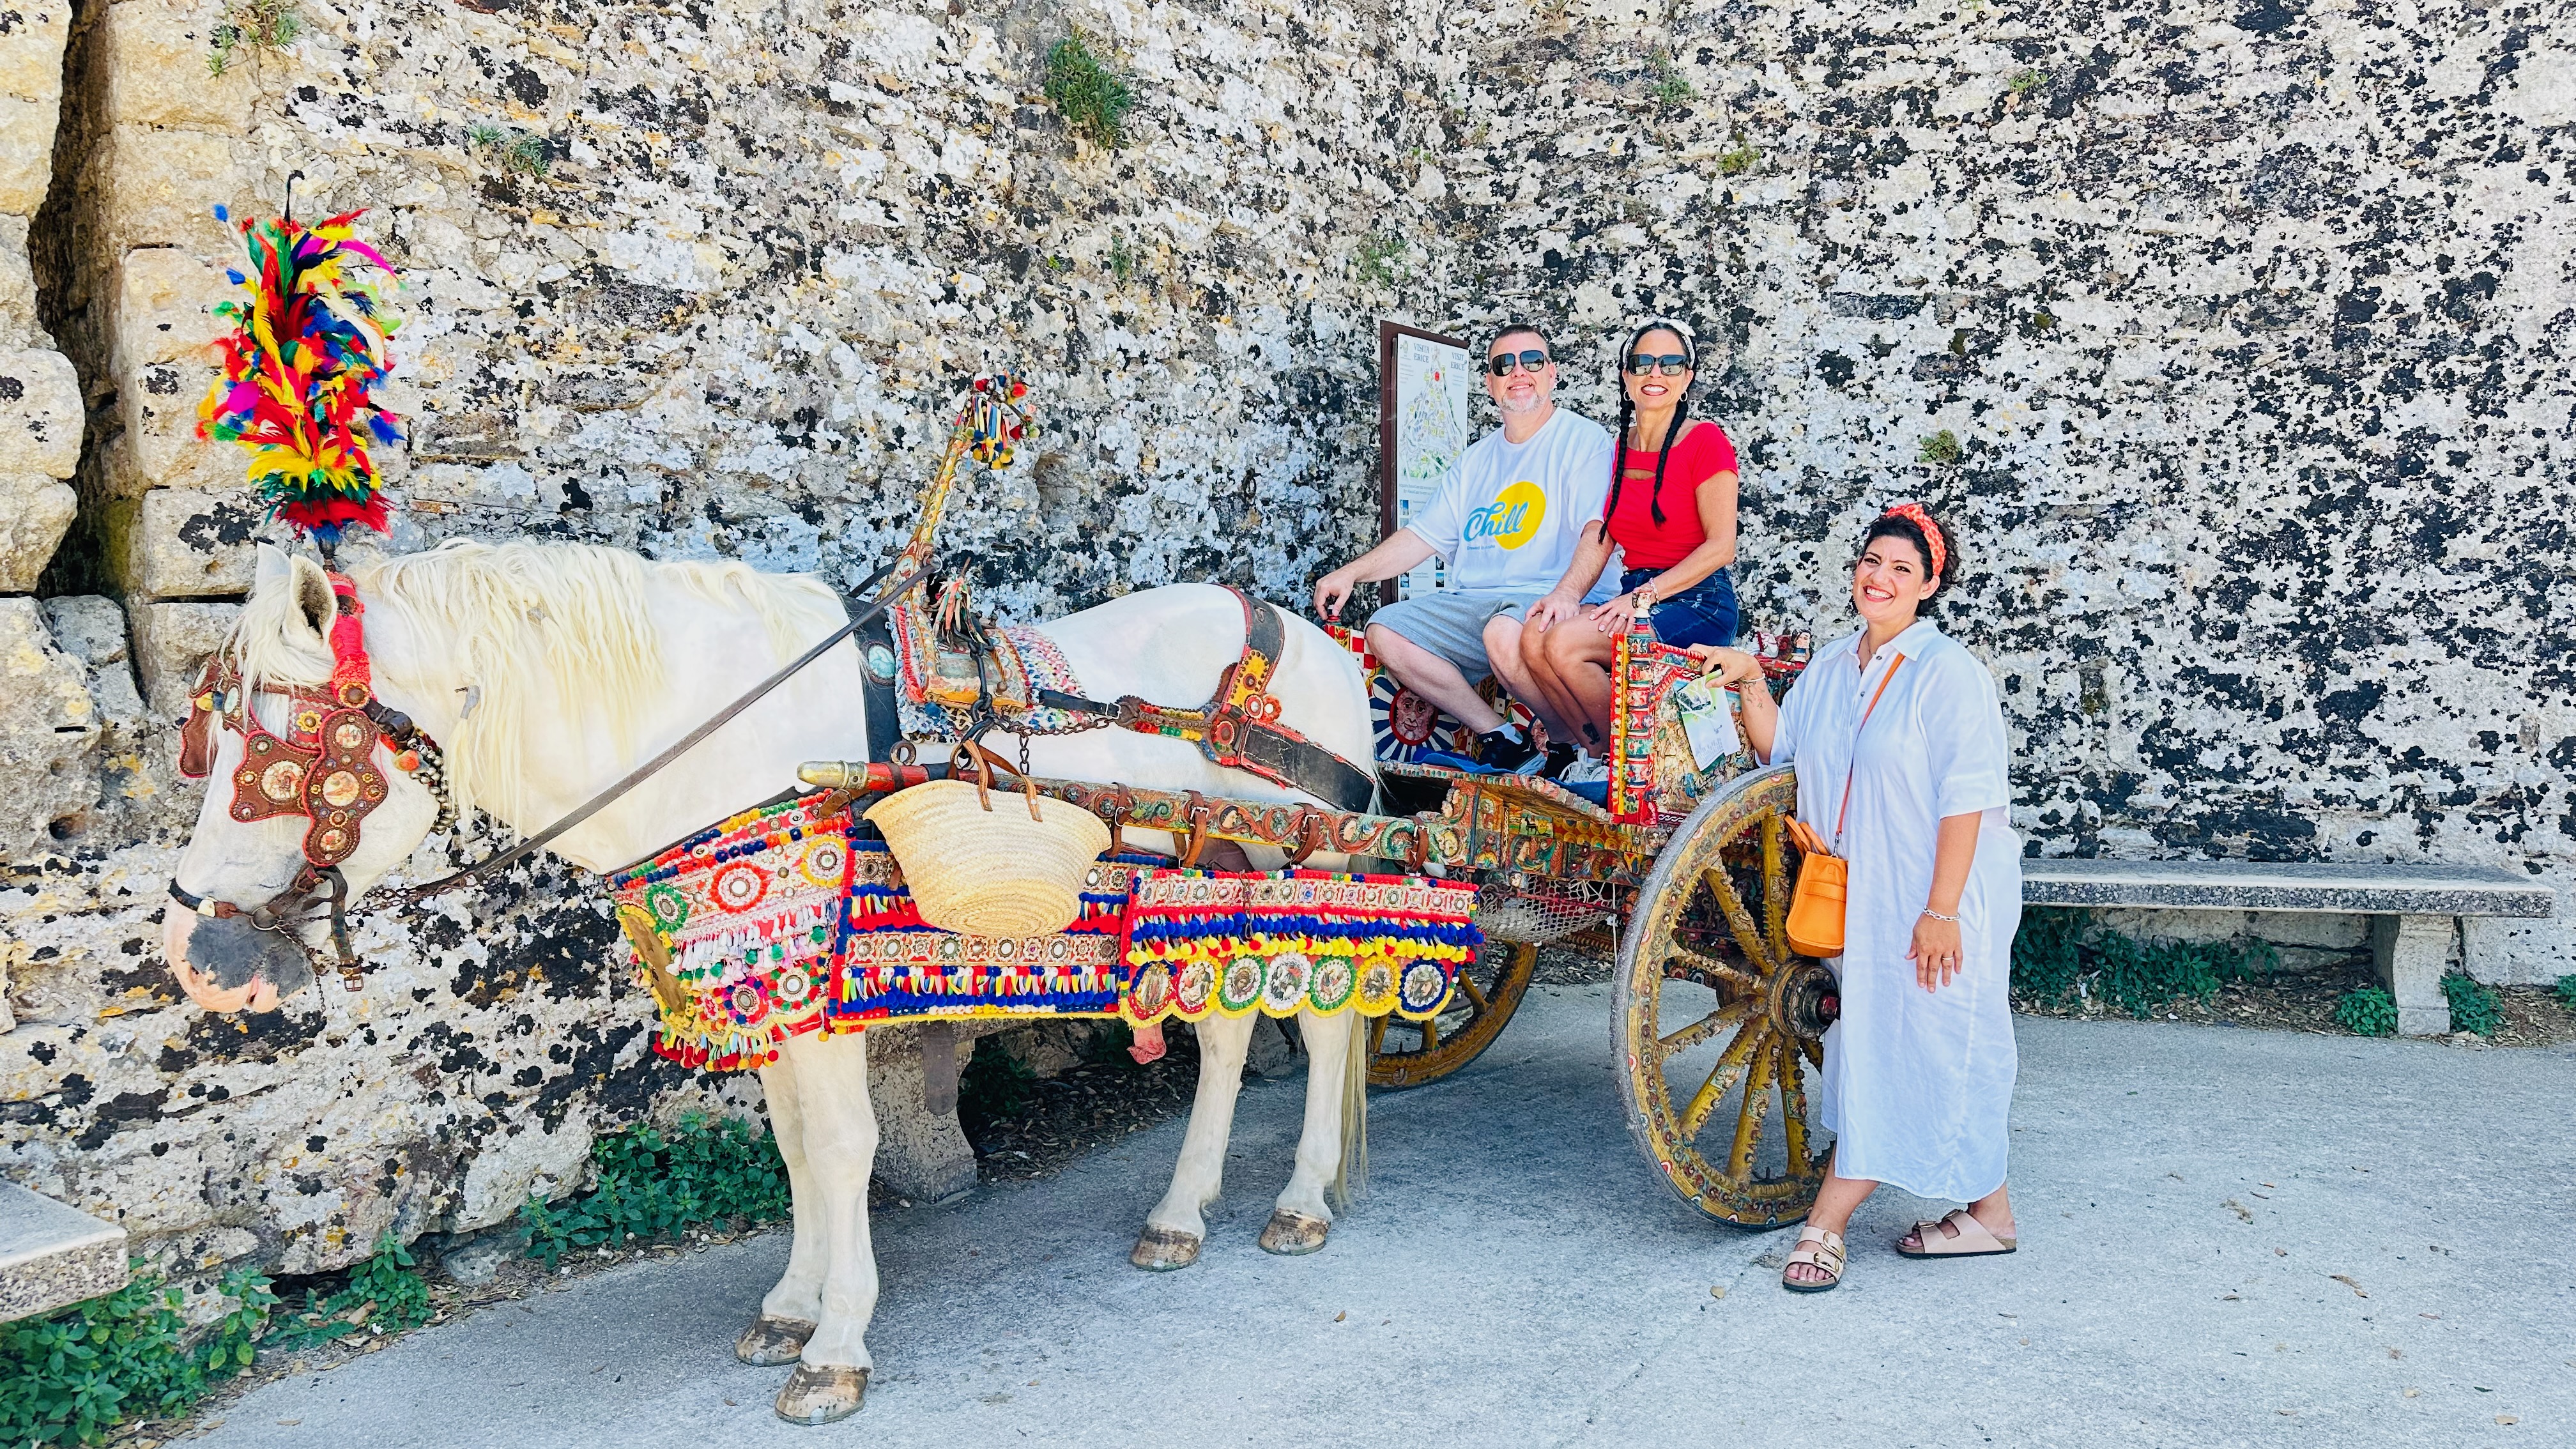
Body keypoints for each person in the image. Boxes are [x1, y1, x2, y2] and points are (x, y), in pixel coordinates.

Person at [1692, 502, 2022, 1294]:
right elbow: (1786, 752)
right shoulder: (1835, 666)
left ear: (1929, 585)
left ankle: (1825, 1227)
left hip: (1934, 896)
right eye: (1871, 562)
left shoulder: (1948, 676)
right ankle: (1993, 1217)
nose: (1879, 578)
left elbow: (1968, 800)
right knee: (1905, 1049)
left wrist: (1941, 912)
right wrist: (1748, 683)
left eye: (1901, 569)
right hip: (1858, 897)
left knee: (1924, 1045)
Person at [1313, 324, 1614, 770]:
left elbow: (1599, 532)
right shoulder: (1475, 460)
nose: (1518, 372)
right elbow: (1422, 538)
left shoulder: (1584, 441)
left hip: (1545, 596)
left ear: (1552, 374)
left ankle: (1565, 742)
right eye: (1503, 365)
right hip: (1474, 601)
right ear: (1490, 384)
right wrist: (1351, 573)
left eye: (1531, 361)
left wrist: (1567, 594)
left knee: (1503, 632)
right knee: (1386, 630)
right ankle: (1503, 735)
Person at [1518, 320, 1740, 767]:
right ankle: (1597, 756)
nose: (1655, 374)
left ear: (1688, 378)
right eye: (1643, 363)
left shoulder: (1705, 442)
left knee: (1566, 645)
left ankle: (1627, 762)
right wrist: (1565, 594)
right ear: (1626, 376)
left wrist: (1644, 596)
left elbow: (1722, 547)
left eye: (1671, 364)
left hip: (1695, 600)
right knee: (1535, 634)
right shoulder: (1624, 445)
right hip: (1638, 595)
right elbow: (1606, 534)